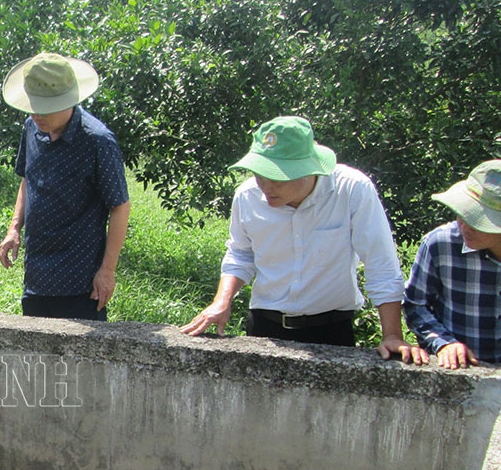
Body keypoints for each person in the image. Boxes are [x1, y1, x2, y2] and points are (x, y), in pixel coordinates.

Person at [181, 116, 425, 363]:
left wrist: (392, 334)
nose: (265, 188)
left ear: (308, 170)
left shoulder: (351, 189)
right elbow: (241, 253)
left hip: (332, 327)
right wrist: (221, 302)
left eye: (275, 179)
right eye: (259, 176)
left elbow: (380, 261)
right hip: (266, 327)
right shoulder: (247, 196)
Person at [0, 51, 131, 320]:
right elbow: (28, 178)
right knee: (36, 355)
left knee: (82, 358)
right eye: (32, 106)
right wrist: (14, 228)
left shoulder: (97, 141)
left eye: (45, 108)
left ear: (68, 100)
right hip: (37, 273)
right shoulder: (31, 127)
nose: (37, 115)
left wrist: (107, 270)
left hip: (80, 279)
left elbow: (120, 206)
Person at [404, 160, 501, 368]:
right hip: (460, 375)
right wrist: (443, 343)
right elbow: (415, 304)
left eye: (477, 220)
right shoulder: (440, 243)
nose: (465, 226)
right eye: (462, 214)